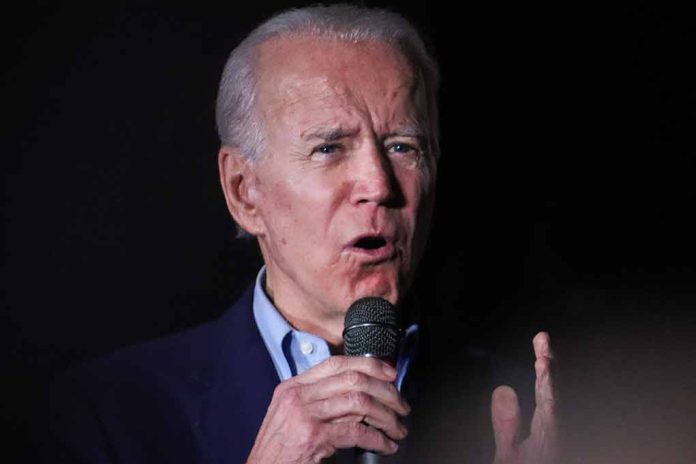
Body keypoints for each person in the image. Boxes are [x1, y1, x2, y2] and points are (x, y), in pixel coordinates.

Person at [42, 4, 557, 463]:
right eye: (329, 148)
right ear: (244, 192)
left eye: (403, 146)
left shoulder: (528, 407)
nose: (379, 186)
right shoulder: (102, 418)